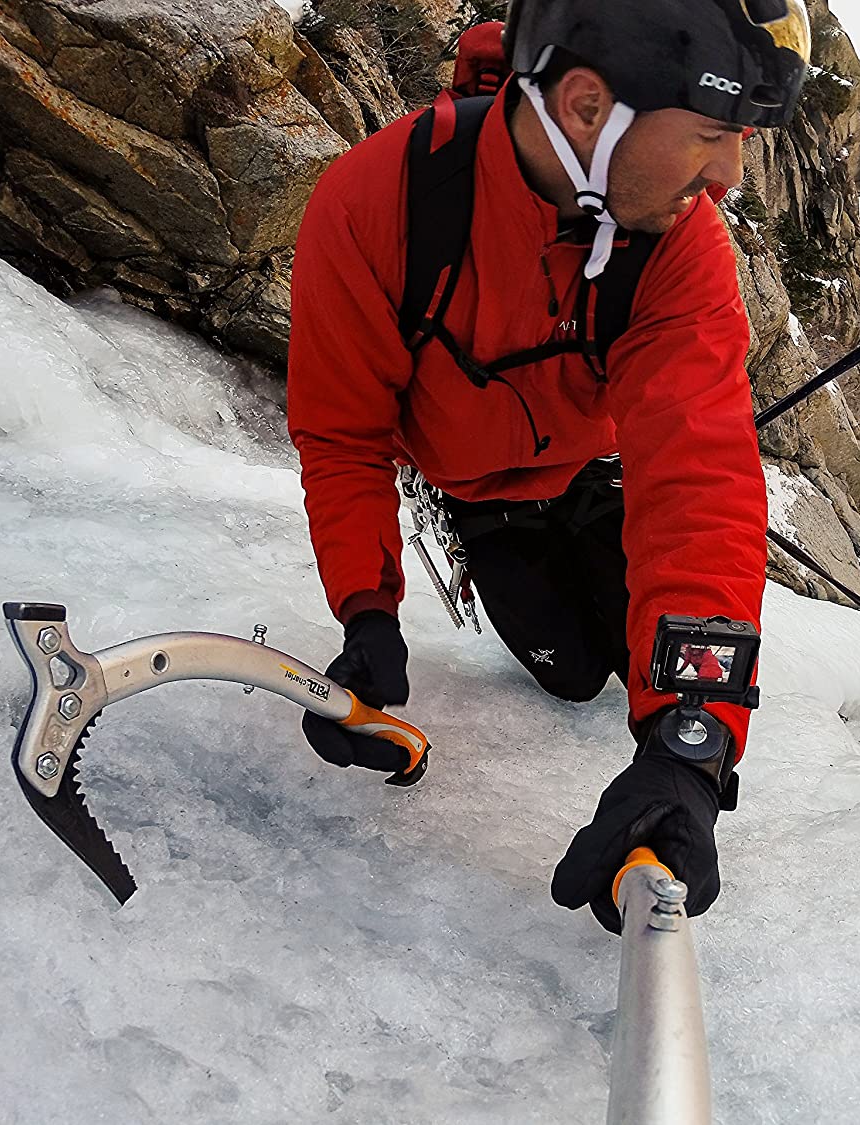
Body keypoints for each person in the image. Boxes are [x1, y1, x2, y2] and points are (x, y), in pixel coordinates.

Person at [286, 0, 810, 932]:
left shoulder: (679, 245)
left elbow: (700, 474)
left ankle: (589, 528)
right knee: (571, 673)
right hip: (481, 494)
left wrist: (691, 744)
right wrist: (367, 610)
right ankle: (497, 535)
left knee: (639, 655)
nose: (730, 177)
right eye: (712, 134)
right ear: (583, 106)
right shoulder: (376, 208)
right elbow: (344, 435)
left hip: (591, 469)